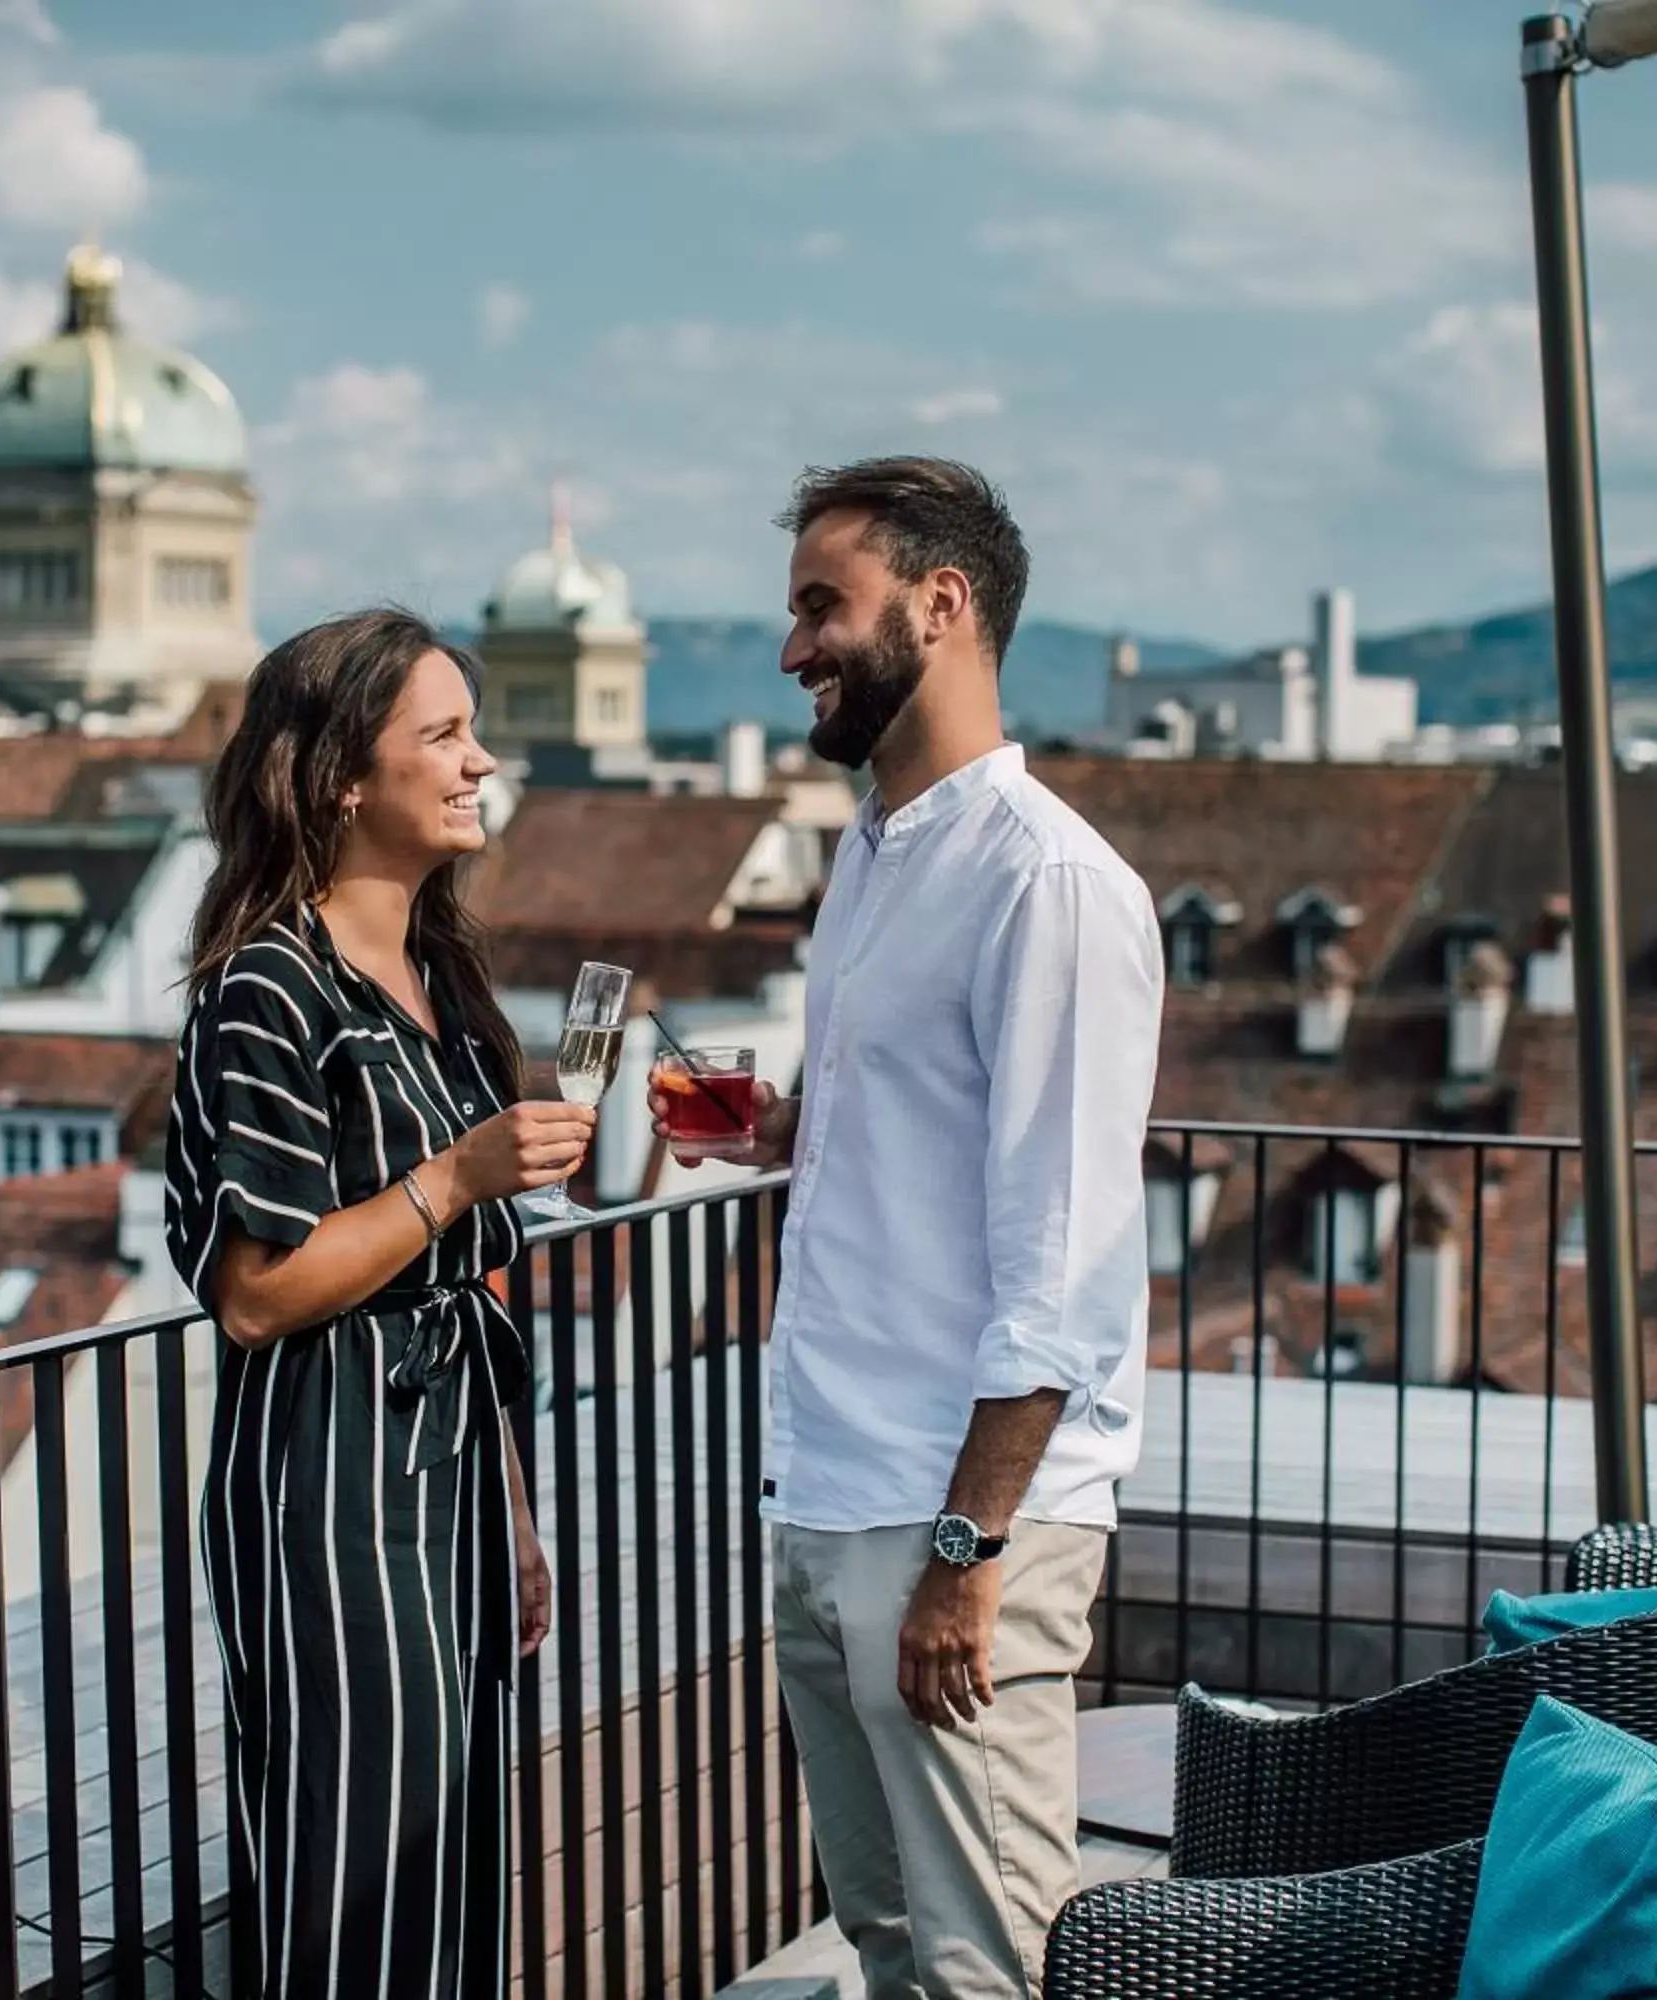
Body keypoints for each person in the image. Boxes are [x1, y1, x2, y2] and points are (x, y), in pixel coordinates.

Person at [663, 458, 1162, 1996]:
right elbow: (890, 1135)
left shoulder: (1051, 883)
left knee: (980, 1963)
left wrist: (967, 1551)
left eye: (823, 605)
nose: (793, 646)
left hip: (952, 1526)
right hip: (831, 1494)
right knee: (886, 1945)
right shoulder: (875, 859)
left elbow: (1062, 1265)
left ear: (941, 607)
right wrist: (751, 1125)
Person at [163, 608, 596, 1998]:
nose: (480, 761)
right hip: (331, 1493)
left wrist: (516, 1513)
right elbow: (253, 1290)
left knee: (453, 1861)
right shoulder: (268, 995)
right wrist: (456, 1177)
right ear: (346, 772)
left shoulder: (444, 981)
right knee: (358, 1875)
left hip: (451, 1481)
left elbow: (471, 1280)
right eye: (446, 734)